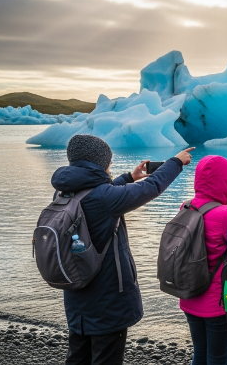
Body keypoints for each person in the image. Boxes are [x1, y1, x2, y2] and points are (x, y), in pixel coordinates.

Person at [51, 134, 194, 365]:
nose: (110, 166)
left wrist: (129, 177)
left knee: (78, 356)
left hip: (76, 294)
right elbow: (152, 187)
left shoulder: (64, 193)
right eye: (109, 161)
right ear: (99, 162)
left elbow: (95, 193)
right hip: (107, 301)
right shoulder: (105, 199)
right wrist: (175, 162)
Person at [180, 155, 227, 365]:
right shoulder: (226, 213)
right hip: (217, 304)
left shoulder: (186, 206)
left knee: (199, 354)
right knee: (218, 359)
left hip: (189, 296)